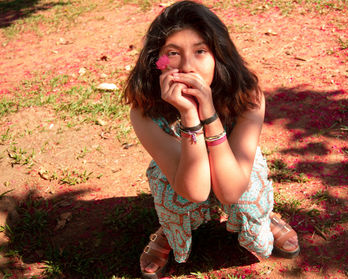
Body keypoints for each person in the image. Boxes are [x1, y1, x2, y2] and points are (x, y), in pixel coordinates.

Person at [123, 1, 299, 278]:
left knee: (246, 191)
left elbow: (231, 190)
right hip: (180, 172)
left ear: (218, 55)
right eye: (172, 53)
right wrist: (190, 115)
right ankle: (170, 230)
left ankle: (262, 219)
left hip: (235, 166)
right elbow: (194, 190)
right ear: (158, 62)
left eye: (201, 51)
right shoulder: (144, 111)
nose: (188, 66)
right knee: (175, 197)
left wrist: (208, 112)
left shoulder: (247, 94)